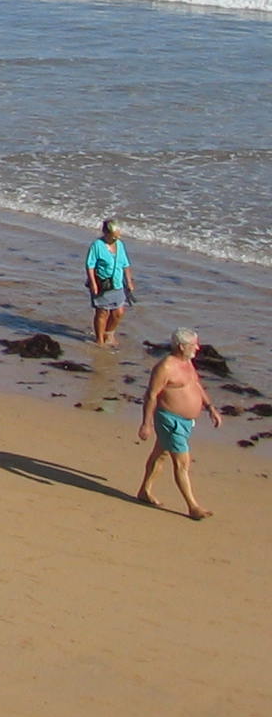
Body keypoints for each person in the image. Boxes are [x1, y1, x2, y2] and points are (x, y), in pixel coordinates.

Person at [137, 328, 223, 520]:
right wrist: (146, 424)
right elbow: (151, 395)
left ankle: (144, 491)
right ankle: (193, 506)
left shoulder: (187, 362)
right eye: (194, 345)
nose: (198, 348)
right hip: (170, 420)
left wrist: (210, 407)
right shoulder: (165, 367)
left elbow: (196, 385)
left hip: (186, 422)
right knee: (182, 462)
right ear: (181, 346)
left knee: (161, 454)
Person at [86, 219, 135, 346]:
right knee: (102, 312)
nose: (116, 238)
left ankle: (109, 333)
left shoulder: (120, 245)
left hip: (117, 284)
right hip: (102, 284)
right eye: (114, 236)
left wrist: (129, 281)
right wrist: (93, 284)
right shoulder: (97, 245)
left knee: (119, 312)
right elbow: (90, 265)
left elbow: (125, 264)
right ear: (107, 233)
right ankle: (99, 339)